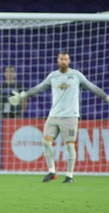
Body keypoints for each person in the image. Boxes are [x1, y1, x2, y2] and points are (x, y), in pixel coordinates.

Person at [9, 52, 109, 183]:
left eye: (66, 59)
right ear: (57, 61)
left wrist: (106, 97)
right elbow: (39, 88)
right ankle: (52, 171)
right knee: (46, 142)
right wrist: (23, 95)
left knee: (69, 145)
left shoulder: (76, 75)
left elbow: (92, 87)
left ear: (69, 61)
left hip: (70, 116)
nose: (63, 61)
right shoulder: (53, 76)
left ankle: (69, 175)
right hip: (54, 115)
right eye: (61, 59)